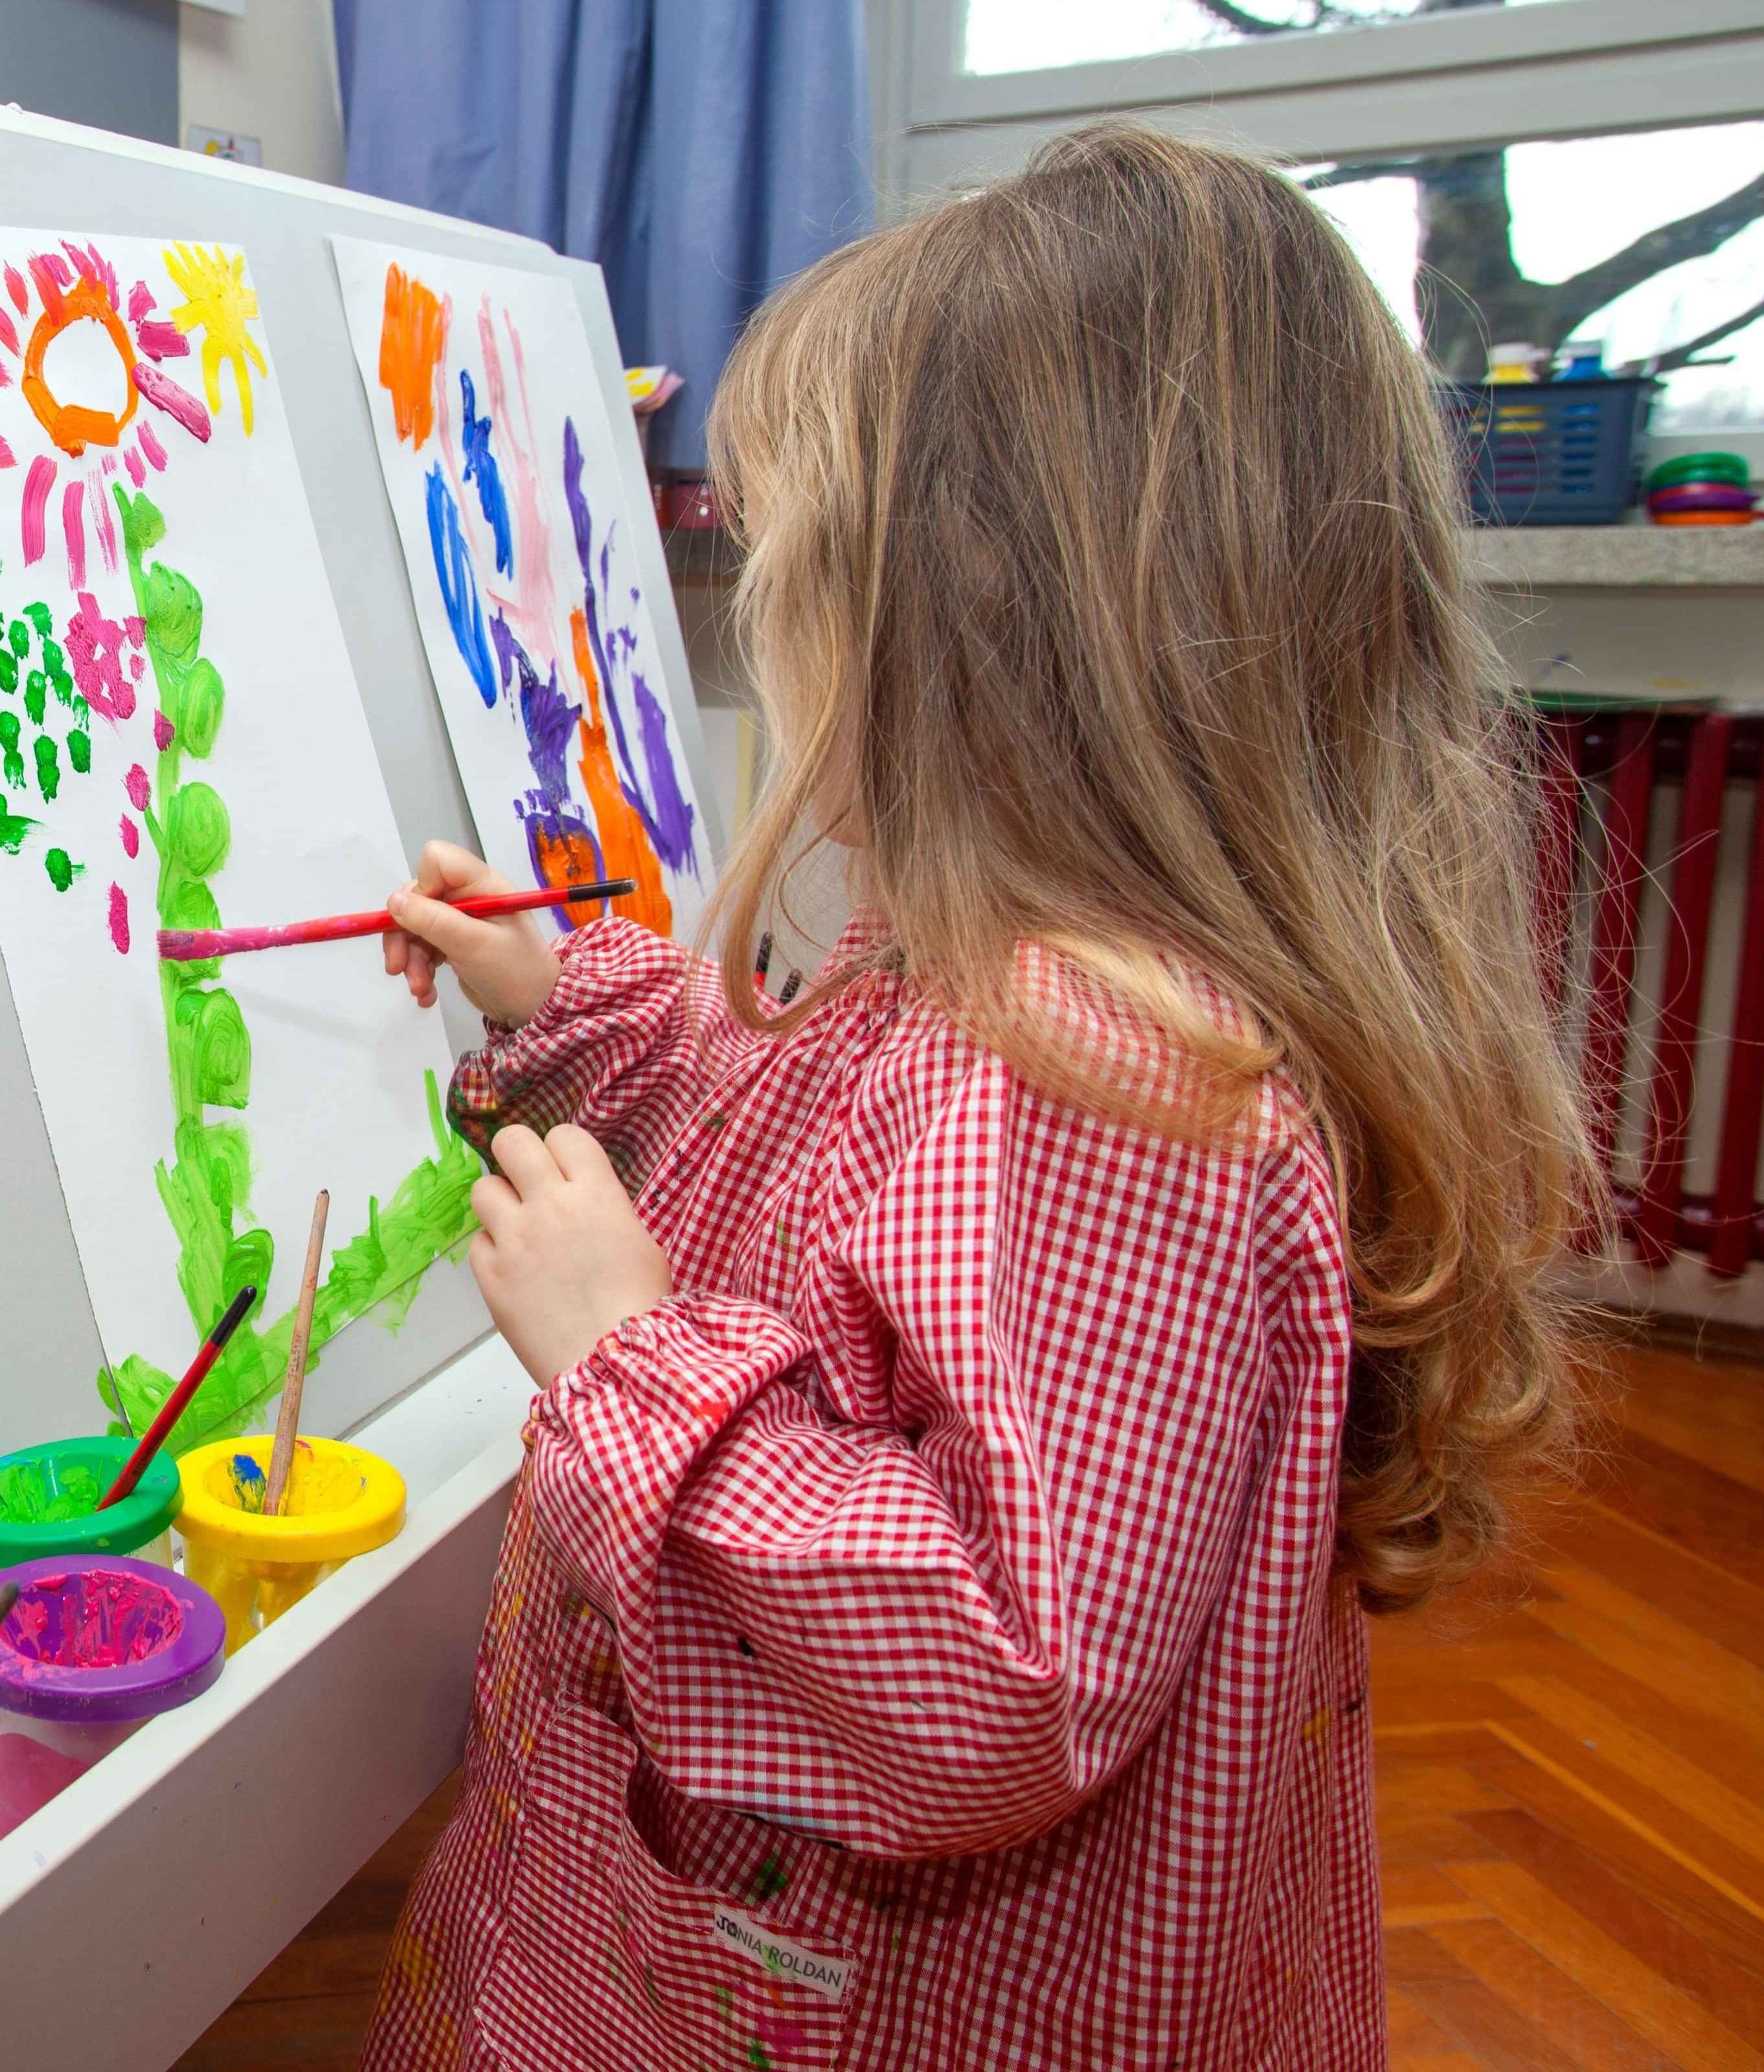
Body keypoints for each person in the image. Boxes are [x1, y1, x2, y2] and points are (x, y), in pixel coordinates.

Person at [359, 121, 1589, 2071]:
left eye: (792, 570)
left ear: (970, 634)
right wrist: (567, 992)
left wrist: (630, 1356)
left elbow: (997, 1681)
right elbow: (802, 1133)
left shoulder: (1115, 1084)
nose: (764, 623)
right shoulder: (985, 981)